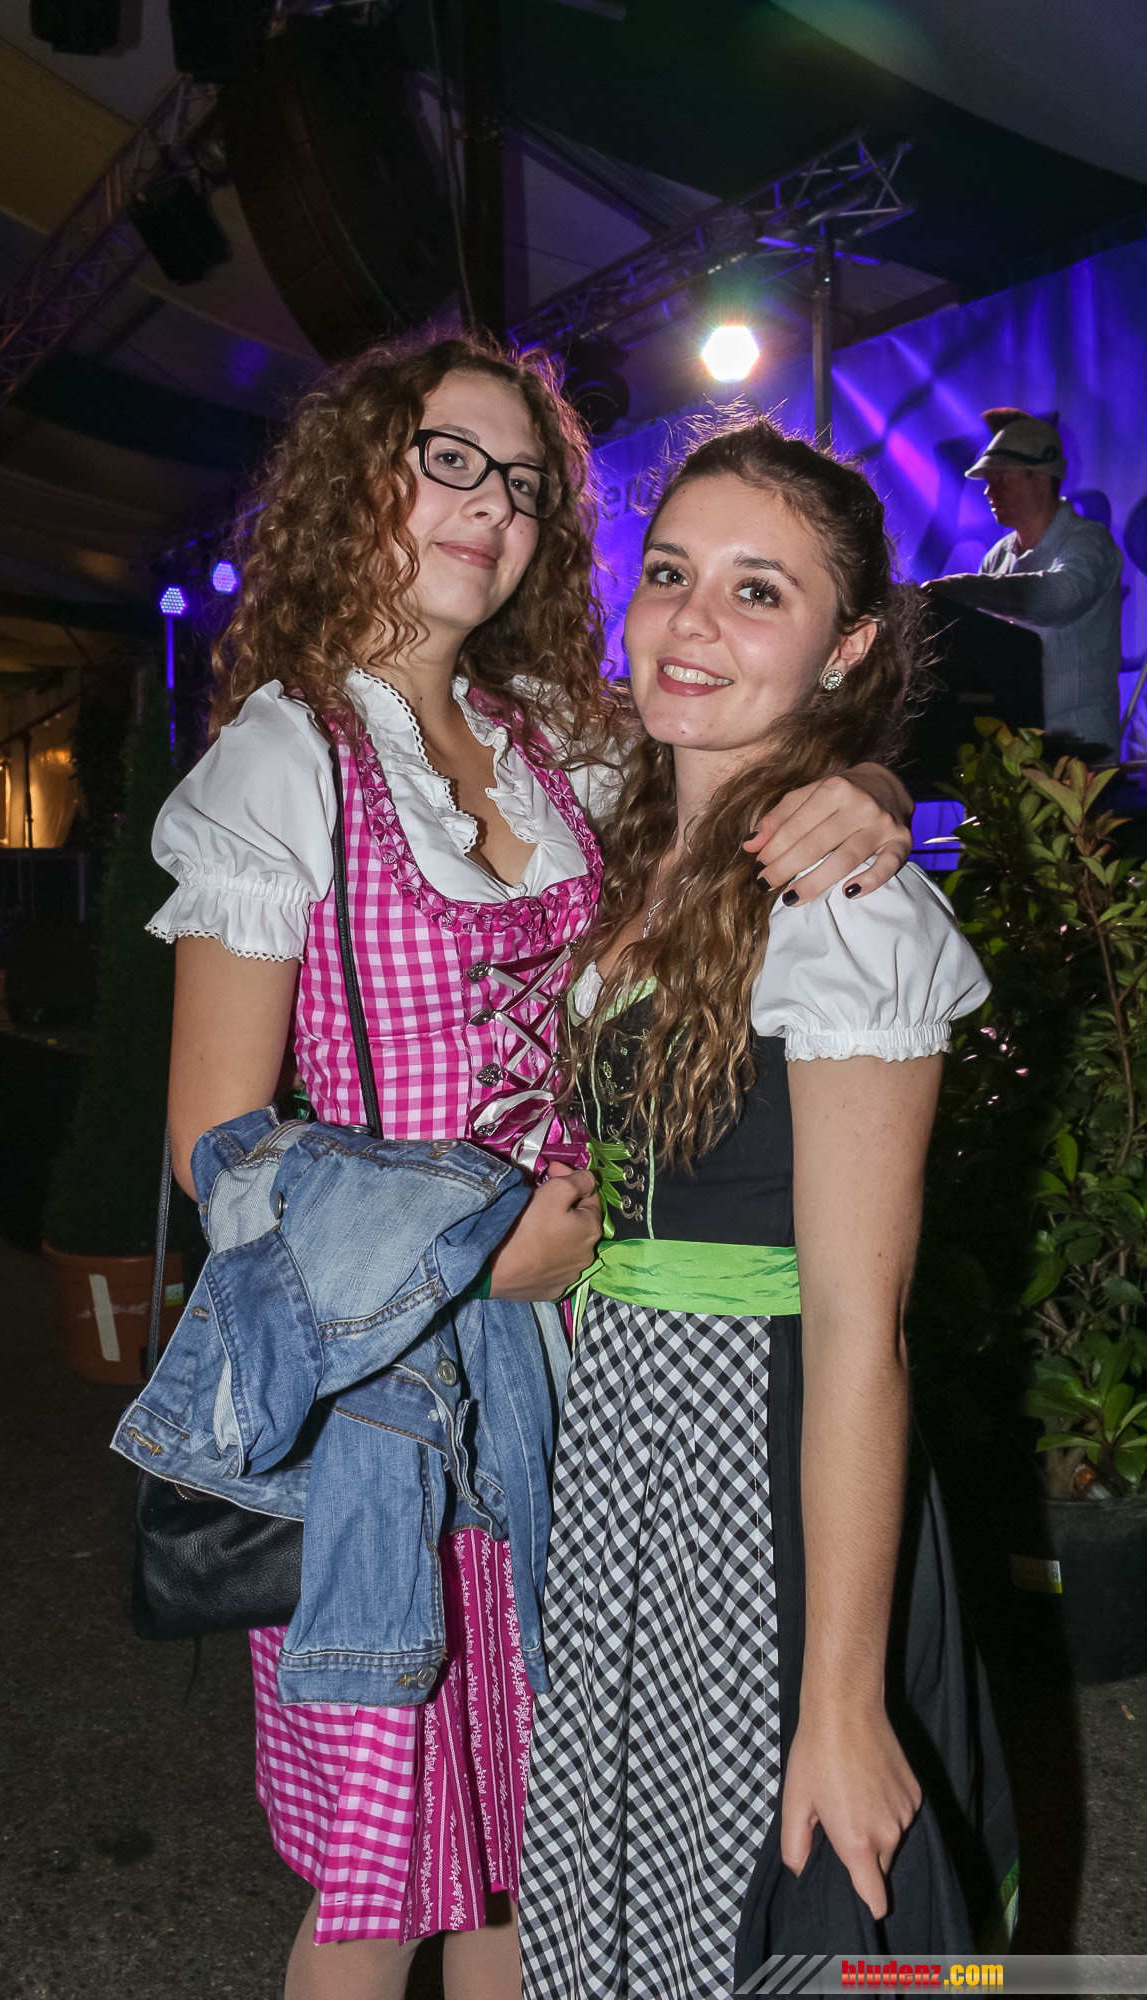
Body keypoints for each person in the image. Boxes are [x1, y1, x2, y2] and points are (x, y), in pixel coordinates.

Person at [146, 337, 915, 2000]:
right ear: (354, 475)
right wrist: (478, 1255)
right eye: (445, 458)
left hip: (592, 1375)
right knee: (381, 1880)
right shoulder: (283, 763)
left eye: (519, 481)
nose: (486, 507)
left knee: (528, 1848)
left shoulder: (554, 738)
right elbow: (215, 1147)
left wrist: (868, 785)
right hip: (395, 1386)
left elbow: (758, 749)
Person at [520, 418, 1012, 1999]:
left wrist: (844, 1699)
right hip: (625, 1437)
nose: (690, 622)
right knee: (631, 1876)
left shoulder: (846, 911)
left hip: (758, 1451)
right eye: (669, 573)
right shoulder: (637, 837)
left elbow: (860, 1329)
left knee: (757, 1891)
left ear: (845, 645)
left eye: (758, 592)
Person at [924, 408, 1123, 758]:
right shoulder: (997, 557)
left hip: (1079, 754)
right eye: (988, 481)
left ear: (1042, 479)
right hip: (1012, 754)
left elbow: (1060, 596)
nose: (988, 491)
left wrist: (960, 587)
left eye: (1001, 479)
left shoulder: (1089, 541)